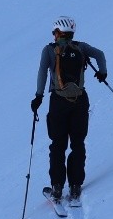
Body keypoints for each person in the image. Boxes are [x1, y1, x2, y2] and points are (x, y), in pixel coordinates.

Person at [30, 17, 108, 203]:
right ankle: (75, 185)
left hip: (58, 102)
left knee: (58, 144)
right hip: (80, 100)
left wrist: (39, 96)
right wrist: (102, 72)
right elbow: (100, 54)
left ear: (57, 33)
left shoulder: (49, 50)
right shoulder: (81, 47)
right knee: (78, 143)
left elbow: (42, 72)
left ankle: (57, 186)